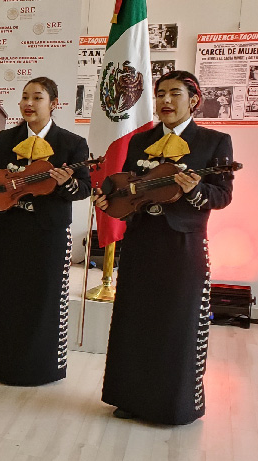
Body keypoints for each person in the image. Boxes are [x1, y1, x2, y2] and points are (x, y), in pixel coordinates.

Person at [95, 70, 235, 425]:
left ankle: (173, 406)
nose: (165, 101)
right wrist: (109, 200)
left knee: (177, 323)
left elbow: (222, 195)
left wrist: (193, 191)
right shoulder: (140, 142)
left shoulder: (214, 142)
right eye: (160, 94)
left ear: (194, 100)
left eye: (175, 93)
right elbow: (128, 188)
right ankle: (130, 398)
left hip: (182, 244)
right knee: (135, 320)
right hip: (142, 241)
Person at [0, 77, 90, 386]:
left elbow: (83, 189)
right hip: (8, 230)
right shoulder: (5, 138)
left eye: (37, 97)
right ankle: (2, 365)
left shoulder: (72, 144)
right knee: (6, 297)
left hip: (48, 234)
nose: (28, 103)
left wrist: (66, 183)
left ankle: (42, 368)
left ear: (54, 103)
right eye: (25, 97)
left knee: (45, 299)